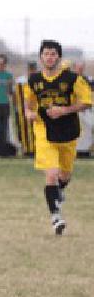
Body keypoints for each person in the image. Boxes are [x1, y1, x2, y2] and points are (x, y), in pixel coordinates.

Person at [23, 40, 92, 235]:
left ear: (58, 57)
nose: (50, 57)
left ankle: (59, 192)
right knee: (51, 174)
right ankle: (56, 217)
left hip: (68, 131)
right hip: (44, 130)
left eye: (53, 54)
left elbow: (87, 102)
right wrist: (28, 113)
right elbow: (29, 103)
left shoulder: (72, 79)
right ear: (41, 57)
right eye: (46, 54)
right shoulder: (34, 80)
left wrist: (64, 110)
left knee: (65, 175)